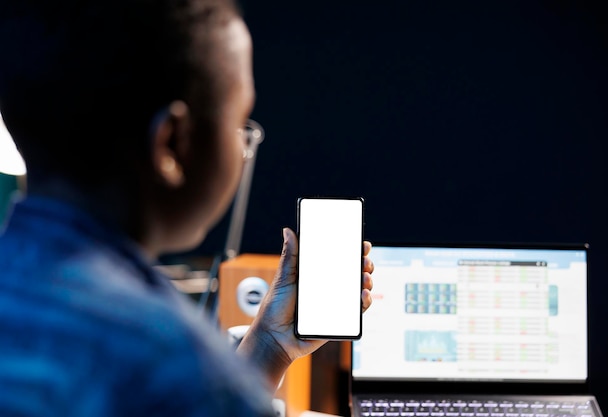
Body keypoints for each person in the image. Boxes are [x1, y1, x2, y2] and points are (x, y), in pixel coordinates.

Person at [0, 0, 375, 416]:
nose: (244, 144)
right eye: (240, 121)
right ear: (172, 145)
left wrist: (269, 346)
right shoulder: (172, 361)